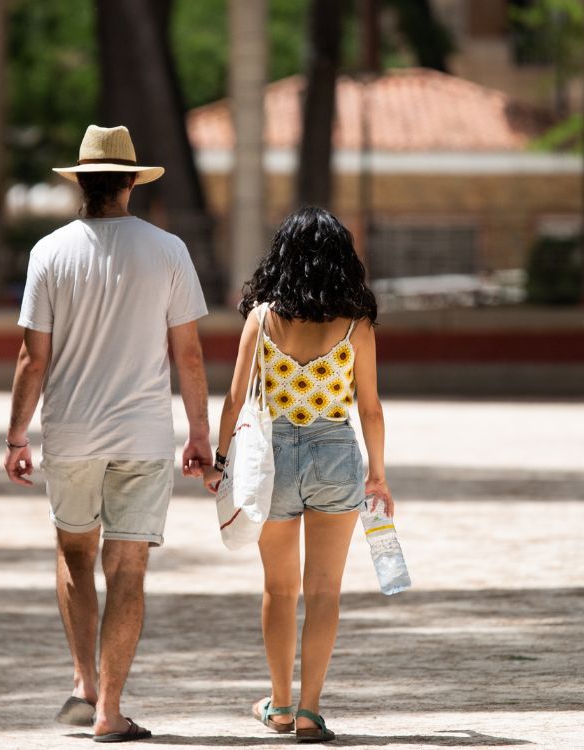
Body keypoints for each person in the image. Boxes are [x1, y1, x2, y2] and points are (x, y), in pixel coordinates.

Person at [4, 124, 212, 744]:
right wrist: (199, 433)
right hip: (145, 438)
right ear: (129, 184)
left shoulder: (48, 253)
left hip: (70, 435)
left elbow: (31, 360)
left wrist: (17, 436)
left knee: (74, 555)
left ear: (81, 185)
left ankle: (83, 682)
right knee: (128, 570)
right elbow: (191, 354)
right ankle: (109, 711)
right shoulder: (168, 250)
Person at [203, 207, 392, 744]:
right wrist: (377, 476)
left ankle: (279, 705)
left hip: (273, 459)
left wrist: (220, 464)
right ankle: (311, 713)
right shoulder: (357, 324)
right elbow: (371, 408)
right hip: (336, 451)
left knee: (279, 589)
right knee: (325, 591)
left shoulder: (261, 318)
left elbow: (236, 399)